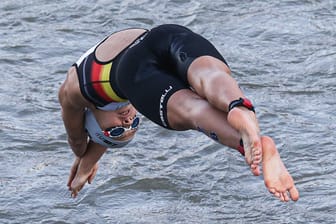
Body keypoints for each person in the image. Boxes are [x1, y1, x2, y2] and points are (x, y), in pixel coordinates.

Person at [58, 24, 299, 202]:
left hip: (133, 69)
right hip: (166, 34)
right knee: (210, 76)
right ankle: (238, 107)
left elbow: (76, 138)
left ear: (90, 116)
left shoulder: (77, 92)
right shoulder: (98, 97)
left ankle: (243, 144)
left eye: (117, 130)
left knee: (191, 110)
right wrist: (91, 157)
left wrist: (82, 156)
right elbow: (99, 132)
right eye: (132, 126)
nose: (129, 121)